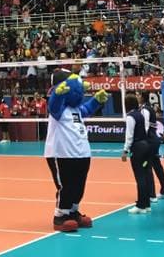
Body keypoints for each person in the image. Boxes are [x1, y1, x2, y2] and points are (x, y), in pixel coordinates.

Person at [44, 70, 108, 232]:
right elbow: (54, 106)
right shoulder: (57, 109)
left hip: (81, 153)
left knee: (79, 185)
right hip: (61, 153)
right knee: (66, 185)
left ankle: (72, 211)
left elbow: (86, 110)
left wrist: (96, 101)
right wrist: (58, 95)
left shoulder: (76, 109)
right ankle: (60, 216)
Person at [122, 94, 153, 214]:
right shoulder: (140, 114)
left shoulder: (130, 117)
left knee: (139, 176)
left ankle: (141, 205)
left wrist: (125, 150)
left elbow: (129, 136)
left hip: (138, 149)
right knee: (145, 175)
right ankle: (146, 204)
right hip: (146, 146)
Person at [140, 92, 164, 201]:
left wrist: (142, 141)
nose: (137, 97)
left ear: (142, 97)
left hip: (150, 140)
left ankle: (151, 195)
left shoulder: (145, 110)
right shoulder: (149, 108)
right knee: (157, 166)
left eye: (138, 95)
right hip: (154, 140)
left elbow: (146, 127)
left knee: (147, 166)